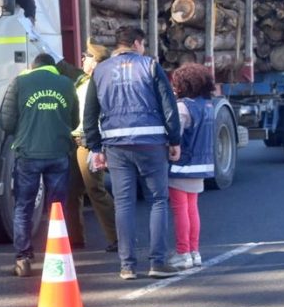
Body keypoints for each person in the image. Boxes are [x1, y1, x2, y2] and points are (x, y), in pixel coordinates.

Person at [83, 26, 182, 280]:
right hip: (151, 142)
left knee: (123, 203)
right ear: (137, 43)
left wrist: (95, 147)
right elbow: (168, 105)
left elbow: (90, 113)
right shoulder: (149, 66)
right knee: (158, 200)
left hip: (115, 145)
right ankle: (157, 263)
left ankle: (127, 266)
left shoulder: (100, 71)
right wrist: (174, 139)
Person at [0, 52, 78, 277]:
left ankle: (23, 258)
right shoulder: (66, 83)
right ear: (53, 67)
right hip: (58, 153)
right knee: (57, 207)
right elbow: (75, 121)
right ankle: (57, 253)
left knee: (24, 205)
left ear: (34, 67)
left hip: (28, 154)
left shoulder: (20, 82)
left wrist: (23, 133)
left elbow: (6, 121)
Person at [57, 39, 118, 252]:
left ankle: (117, 237)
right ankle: (75, 238)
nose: (83, 59)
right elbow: (66, 68)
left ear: (97, 61)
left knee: (95, 190)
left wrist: (97, 146)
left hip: (89, 142)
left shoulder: (103, 83)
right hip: (75, 142)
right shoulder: (84, 81)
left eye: (87, 56)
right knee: (72, 192)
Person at [167, 63, 216, 270]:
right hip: (201, 165)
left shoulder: (182, 107)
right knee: (192, 209)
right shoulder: (208, 106)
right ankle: (194, 252)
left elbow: (174, 134)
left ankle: (183, 253)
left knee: (180, 210)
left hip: (181, 165)